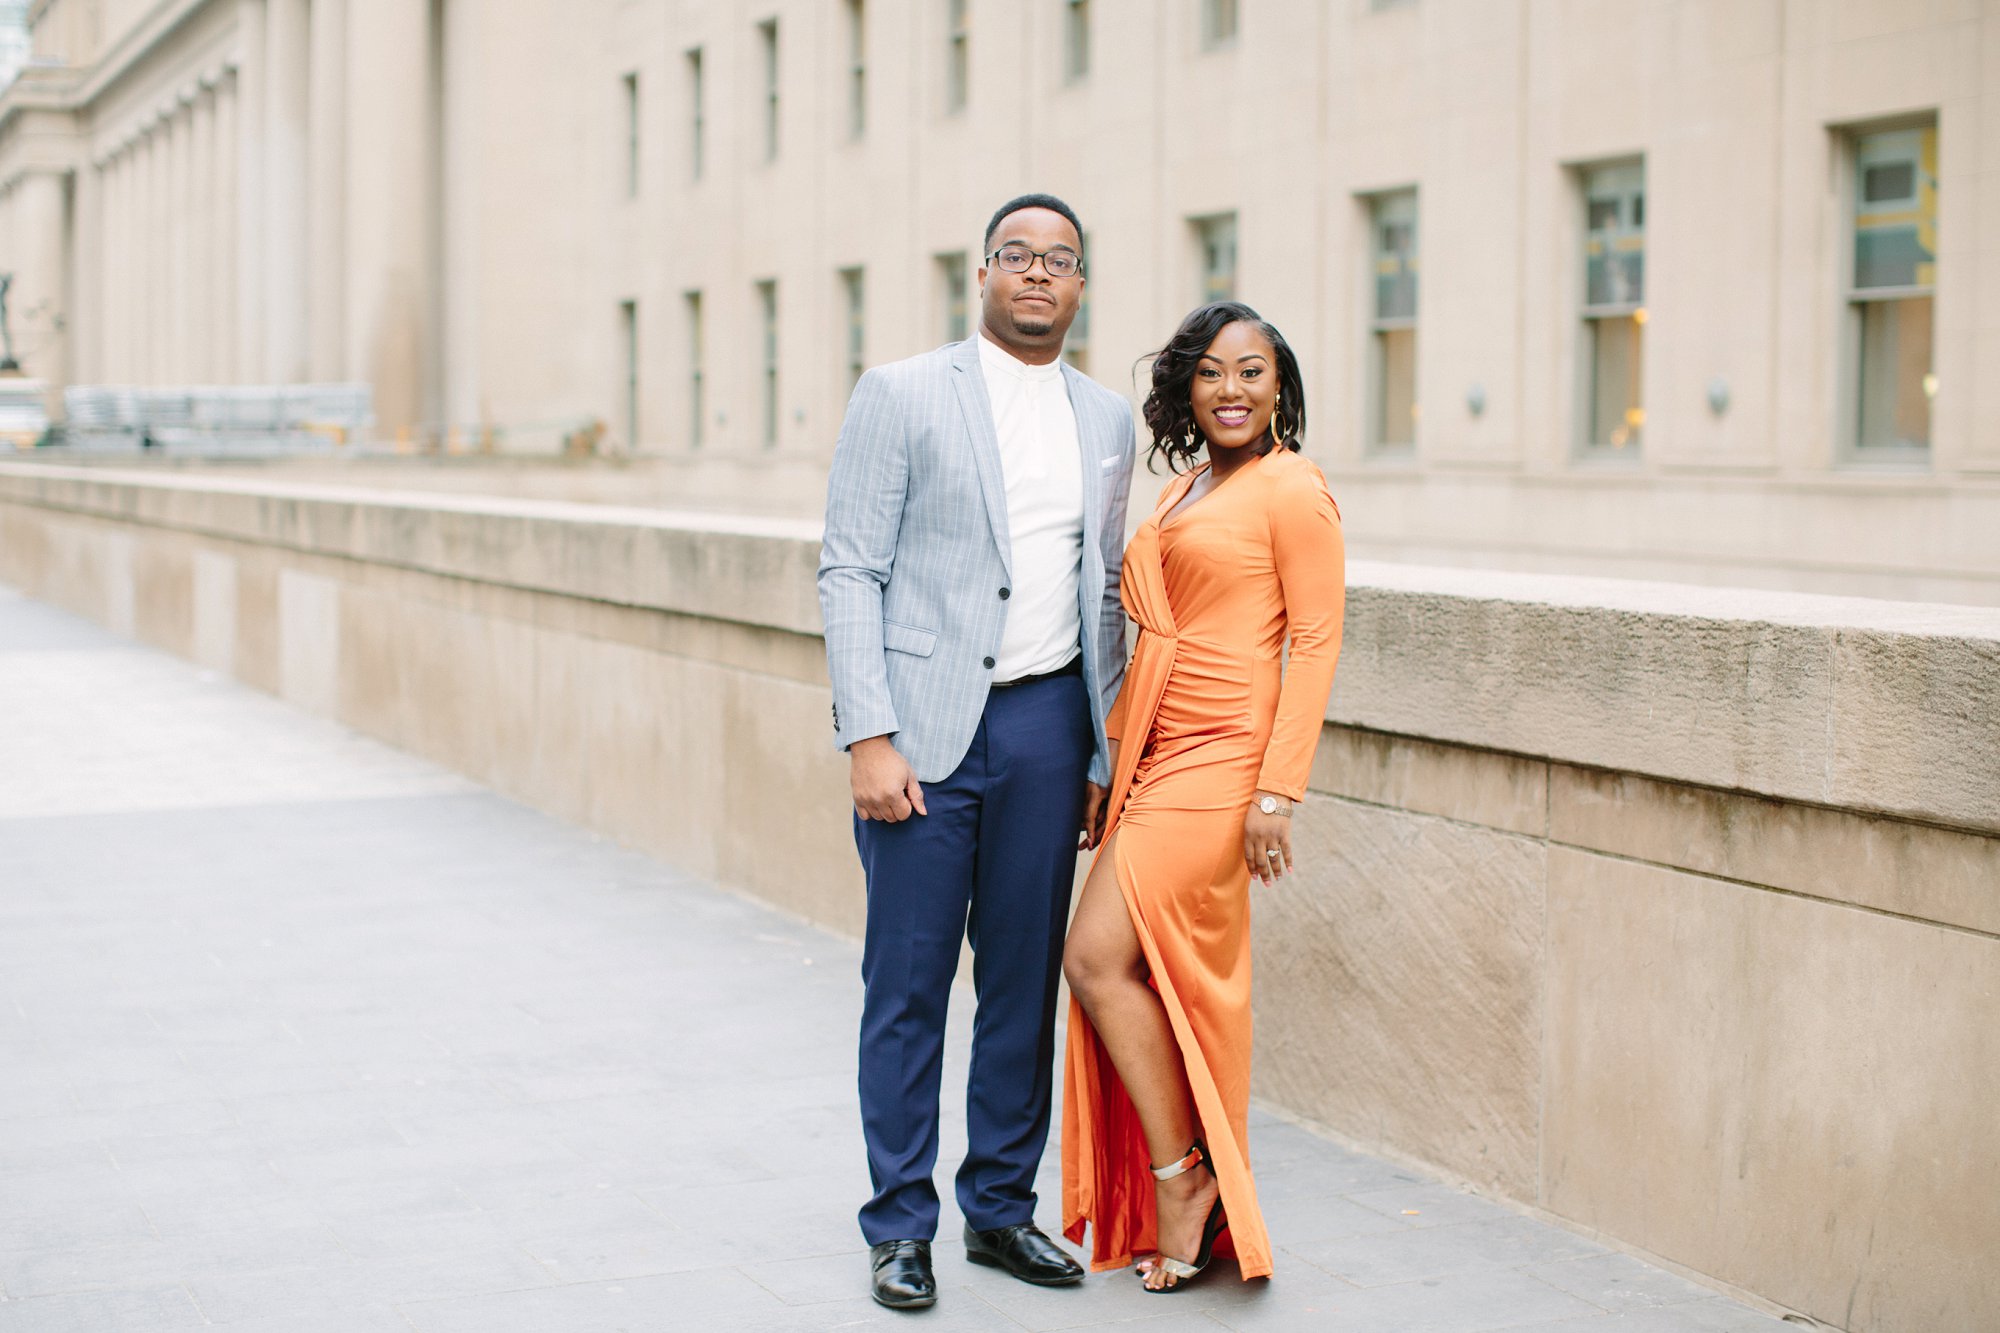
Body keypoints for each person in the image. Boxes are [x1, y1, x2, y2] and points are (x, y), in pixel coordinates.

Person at [818, 193, 1136, 1311]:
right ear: (984, 273)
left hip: (1049, 730)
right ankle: (898, 1223)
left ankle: (998, 1210)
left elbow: (1104, 589)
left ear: (1080, 286)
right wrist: (868, 732)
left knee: (1019, 984)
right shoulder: (902, 392)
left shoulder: (1106, 419)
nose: (1037, 275)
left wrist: (1100, 750)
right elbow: (849, 567)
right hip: (922, 732)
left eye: (1059, 261)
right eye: (1018, 256)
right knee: (905, 986)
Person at [1060, 301, 1346, 1291]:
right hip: (1154, 749)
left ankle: (1183, 1177)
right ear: (1187, 386)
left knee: (1093, 956)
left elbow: (1312, 641)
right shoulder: (1184, 488)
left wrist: (1277, 792)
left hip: (1225, 757)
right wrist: (1113, 762)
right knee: (1111, 965)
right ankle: (1183, 1172)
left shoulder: (1291, 488)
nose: (1232, 390)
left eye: (1252, 372)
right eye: (1213, 372)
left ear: (1280, 390)